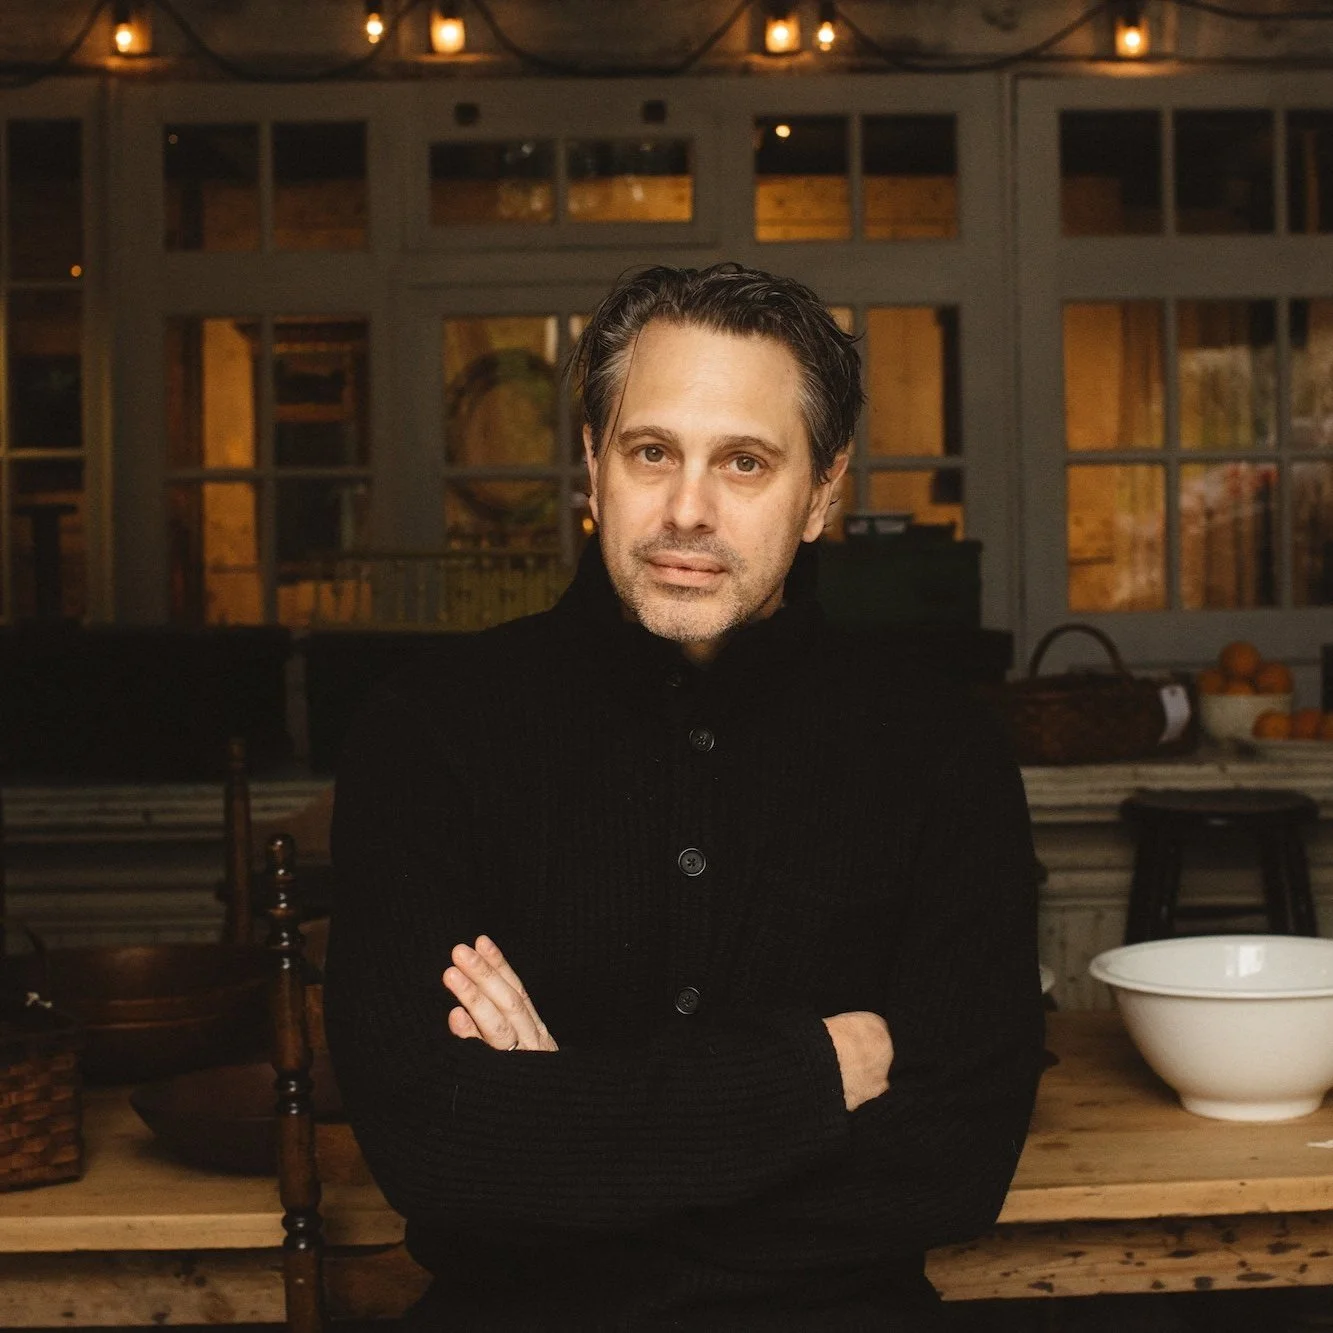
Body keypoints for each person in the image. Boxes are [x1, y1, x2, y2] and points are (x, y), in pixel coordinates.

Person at [325, 262, 1044, 1331]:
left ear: (825, 493)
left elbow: (953, 1159)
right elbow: (434, 1148)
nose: (686, 510)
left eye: (744, 462)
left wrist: (567, 1138)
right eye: (650, 451)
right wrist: (807, 1077)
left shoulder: (938, 748)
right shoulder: (430, 731)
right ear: (590, 464)